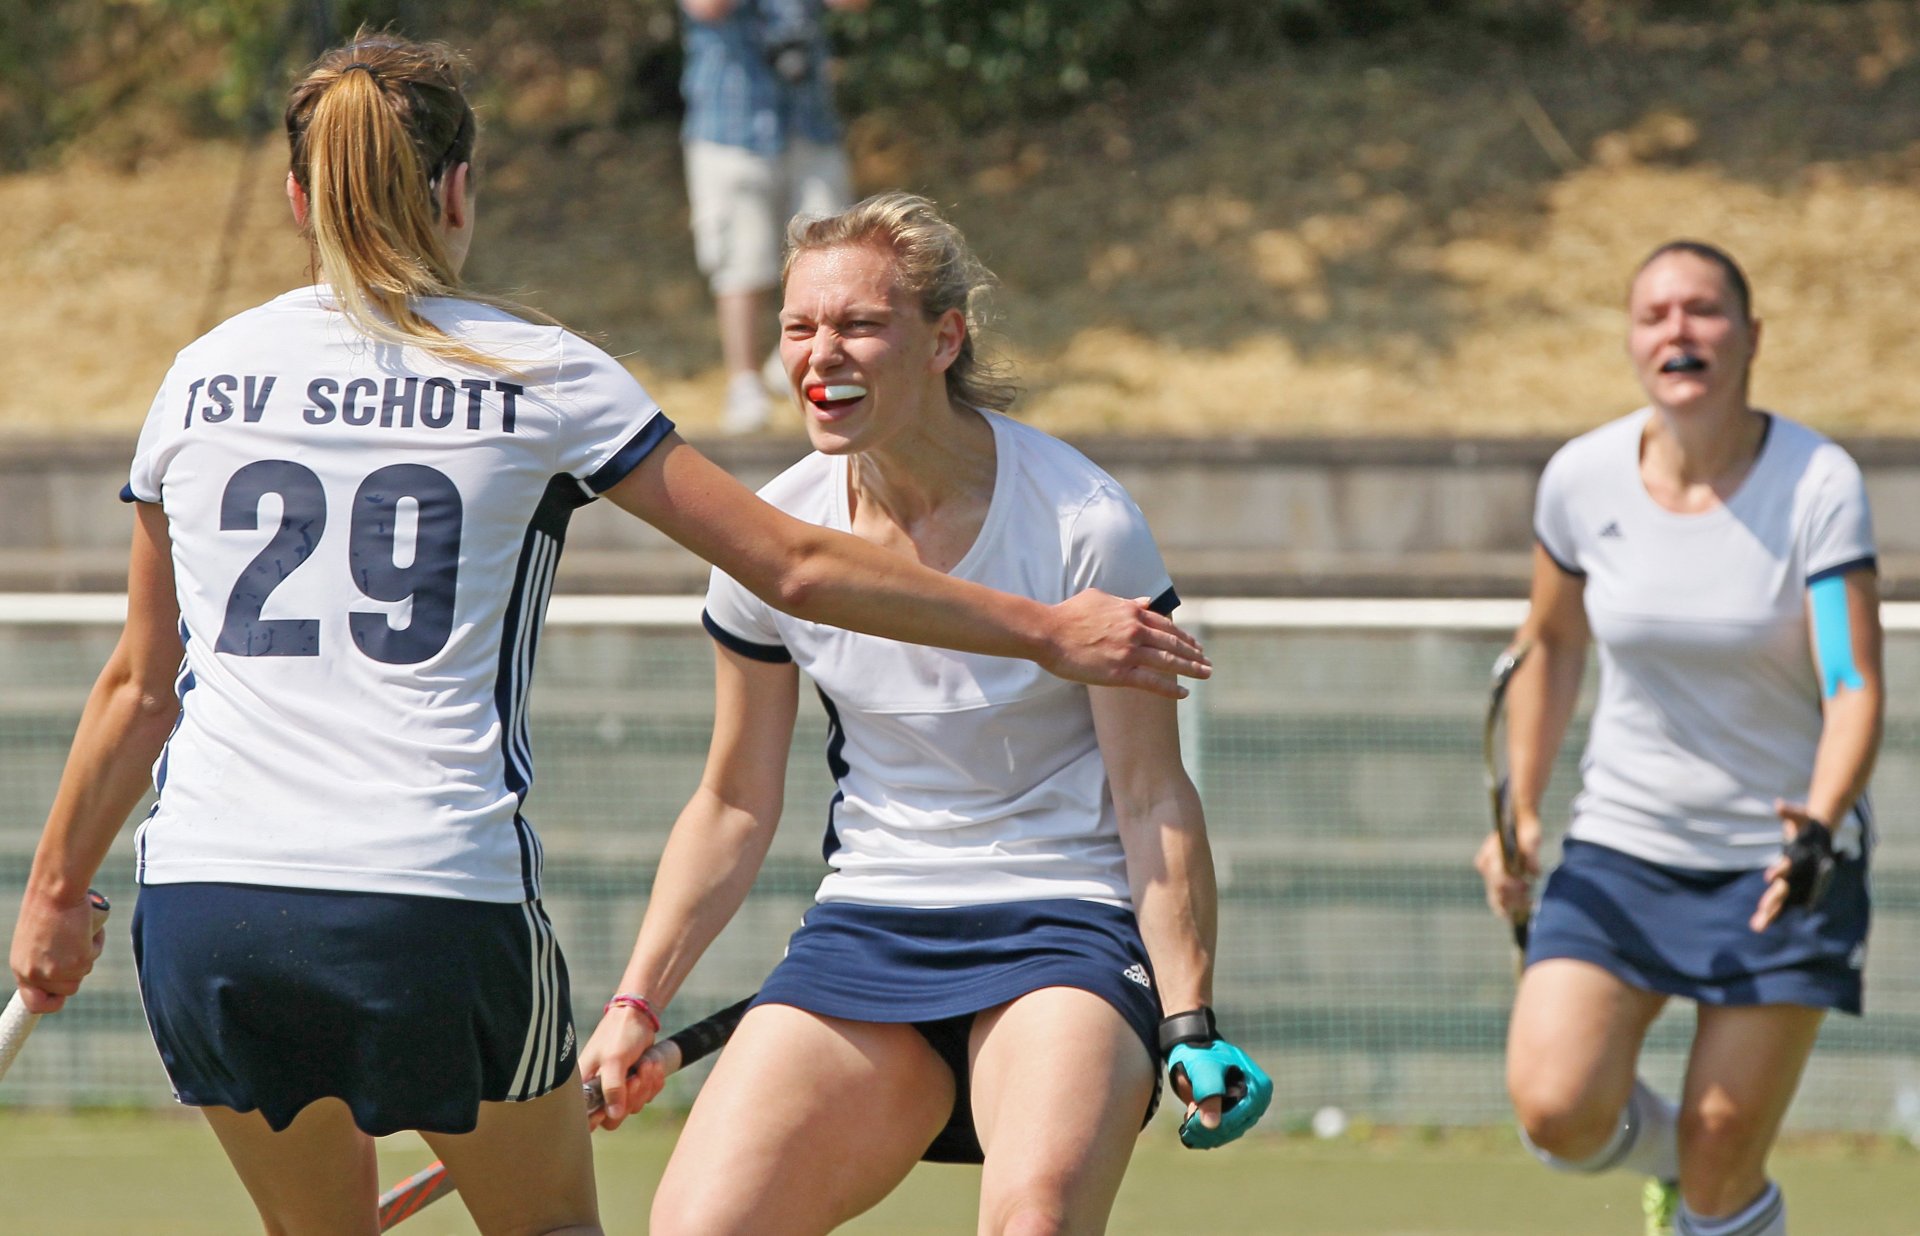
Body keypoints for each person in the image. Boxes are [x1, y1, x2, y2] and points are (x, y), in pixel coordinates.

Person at [4, 39, 1210, 1236]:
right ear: (459, 192)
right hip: (431, 896)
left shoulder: (198, 380)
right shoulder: (535, 368)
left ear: (296, 200)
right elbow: (789, 567)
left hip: (207, 896)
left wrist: (56, 892)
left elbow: (136, 687)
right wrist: (1047, 631)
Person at [580, 192, 1272, 1236]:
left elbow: (1150, 792)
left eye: (859, 325)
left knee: (1031, 1221)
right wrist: (636, 1002)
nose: (822, 356)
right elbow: (732, 800)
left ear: (945, 338)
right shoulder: (771, 543)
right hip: (868, 930)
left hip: (1066, 932)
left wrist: (1188, 1014)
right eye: (799, 328)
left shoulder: (1085, 522)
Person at [1475, 240, 1883, 1236]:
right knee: (1557, 1110)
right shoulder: (1581, 478)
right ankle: (1673, 1167)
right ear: (1631, 341)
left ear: (1750, 337)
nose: (1679, 332)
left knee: (1722, 1159)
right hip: (1622, 849)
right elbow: (1552, 643)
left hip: (1780, 865)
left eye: (1703, 311)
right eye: (1655, 314)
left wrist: (1817, 826)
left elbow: (1853, 681)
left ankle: (1705, 1187)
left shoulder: (1818, 482)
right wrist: (1521, 809)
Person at [679, 0, 865, 433]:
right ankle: (743, 384)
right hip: (730, 128)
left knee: (835, 256)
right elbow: (707, 7)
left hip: (810, 121)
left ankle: (803, 368)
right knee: (741, 265)